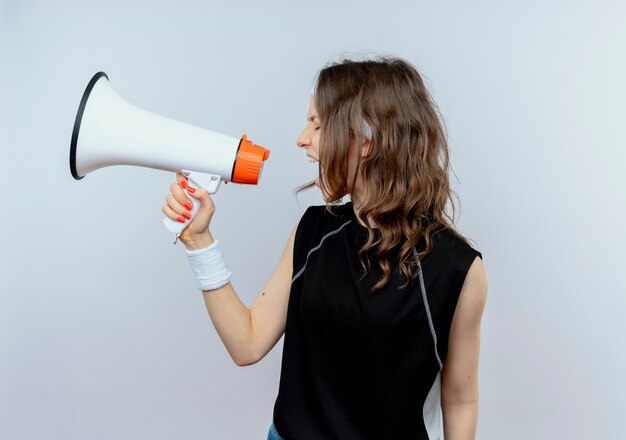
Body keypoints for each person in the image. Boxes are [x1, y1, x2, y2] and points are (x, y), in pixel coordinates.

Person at [162, 57, 488, 440]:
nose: (302, 138)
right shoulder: (314, 231)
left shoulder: (457, 268)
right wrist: (199, 243)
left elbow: (460, 400)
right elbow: (246, 344)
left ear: (365, 142)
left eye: (317, 124)